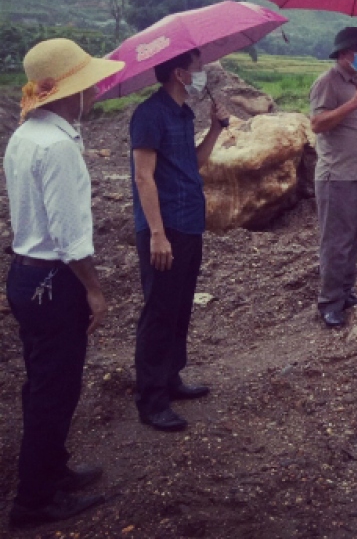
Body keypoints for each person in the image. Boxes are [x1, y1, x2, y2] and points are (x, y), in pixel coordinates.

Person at [5, 39, 121, 529]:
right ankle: (33, 502)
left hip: (25, 277)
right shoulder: (58, 149)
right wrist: (94, 288)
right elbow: (70, 235)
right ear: (68, 91)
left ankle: (51, 470)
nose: (94, 90)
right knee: (56, 390)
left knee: (43, 384)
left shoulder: (26, 135)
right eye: (87, 82)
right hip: (55, 282)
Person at [131, 48, 228, 432]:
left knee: (179, 306)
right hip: (164, 227)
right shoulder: (149, 115)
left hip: (189, 223)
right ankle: (151, 400)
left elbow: (195, 161)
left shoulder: (184, 114)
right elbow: (143, 177)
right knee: (158, 311)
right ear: (179, 73)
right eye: (197, 67)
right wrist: (156, 232)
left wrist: (217, 128)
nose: (202, 72)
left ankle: (170, 378)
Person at [309, 27, 357, 328]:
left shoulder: (356, 82)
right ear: (348, 53)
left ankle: (346, 291)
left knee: (353, 238)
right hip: (338, 176)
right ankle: (330, 302)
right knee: (336, 242)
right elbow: (317, 123)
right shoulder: (328, 82)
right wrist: (353, 104)